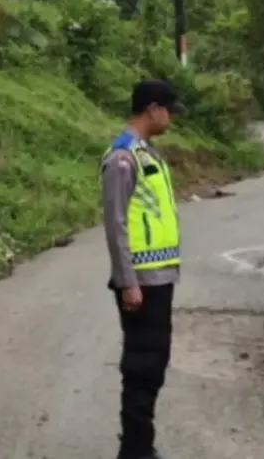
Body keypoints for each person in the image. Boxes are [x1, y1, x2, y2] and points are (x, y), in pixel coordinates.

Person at [101, 79, 185, 459]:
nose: (170, 119)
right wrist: (127, 282)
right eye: (168, 111)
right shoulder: (123, 158)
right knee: (142, 365)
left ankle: (138, 446)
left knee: (153, 364)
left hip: (160, 277)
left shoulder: (147, 153)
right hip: (142, 281)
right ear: (153, 110)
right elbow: (115, 223)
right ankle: (136, 451)